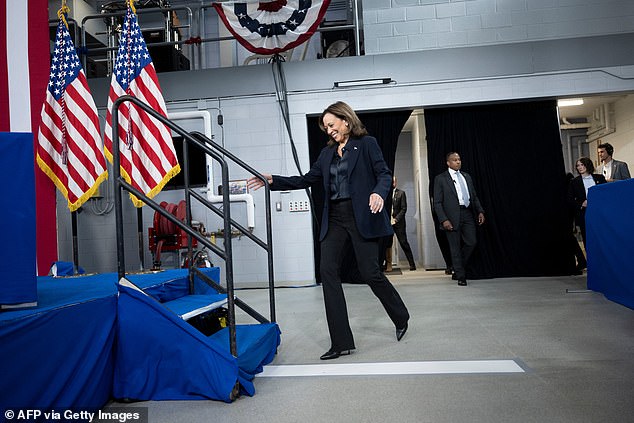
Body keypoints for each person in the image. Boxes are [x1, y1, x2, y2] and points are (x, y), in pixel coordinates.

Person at [247, 101, 410, 360]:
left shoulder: (367, 144)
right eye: (325, 127)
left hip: (361, 217)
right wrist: (273, 180)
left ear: (346, 120)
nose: (329, 130)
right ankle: (341, 341)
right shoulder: (327, 155)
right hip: (334, 218)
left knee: (370, 273)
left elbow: (383, 173)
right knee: (328, 272)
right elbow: (306, 180)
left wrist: (379, 193)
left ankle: (401, 315)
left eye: (332, 125)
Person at [433, 152, 485, 286]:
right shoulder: (440, 179)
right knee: (454, 247)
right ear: (448, 163)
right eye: (455, 160)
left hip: (467, 213)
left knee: (471, 242)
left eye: (459, 159)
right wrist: (444, 219)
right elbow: (437, 202)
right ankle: (461, 276)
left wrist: (480, 210)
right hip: (450, 216)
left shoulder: (466, 176)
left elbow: (473, 195)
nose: (458, 162)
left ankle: (457, 267)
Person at [567, 157, 607, 249]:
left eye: (582, 164)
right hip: (585, 214)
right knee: (588, 240)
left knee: (603, 237)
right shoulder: (574, 182)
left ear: (588, 165)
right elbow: (570, 200)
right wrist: (581, 203)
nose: (580, 167)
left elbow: (606, 194)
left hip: (600, 213)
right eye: (578, 165)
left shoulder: (600, 178)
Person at [390, 177, 416, 271]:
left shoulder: (401, 193)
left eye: (394, 181)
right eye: (391, 181)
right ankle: (385, 265)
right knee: (386, 244)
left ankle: (412, 264)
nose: (393, 183)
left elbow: (404, 208)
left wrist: (396, 219)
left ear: (396, 182)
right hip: (388, 223)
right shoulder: (385, 194)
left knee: (404, 242)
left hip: (398, 223)